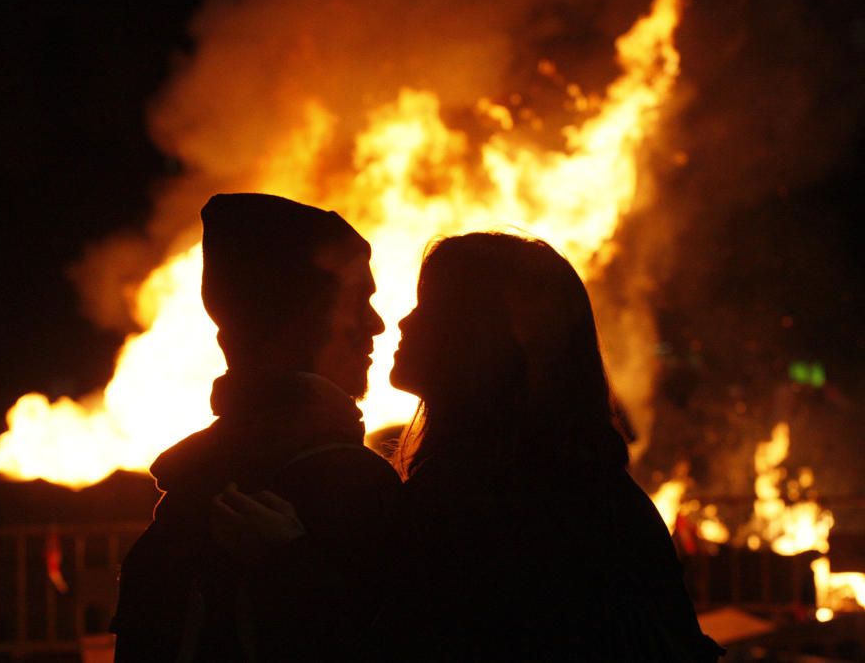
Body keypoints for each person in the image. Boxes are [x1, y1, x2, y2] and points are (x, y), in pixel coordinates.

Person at [224, 233, 723, 661]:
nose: (399, 323)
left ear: (479, 338)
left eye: (430, 307)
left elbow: (412, 643)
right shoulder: (578, 485)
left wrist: (288, 560)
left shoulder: (500, 500)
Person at [110, 193, 400, 661]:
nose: (377, 324)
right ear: (301, 317)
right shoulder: (351, 485)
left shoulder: (185, 498)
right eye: (357, 300)